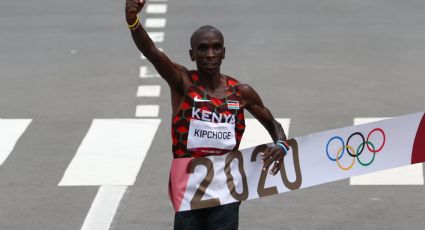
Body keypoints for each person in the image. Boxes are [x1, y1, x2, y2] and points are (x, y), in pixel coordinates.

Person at [125, 0, 289, 229]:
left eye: (216, 48)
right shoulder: (182, 82)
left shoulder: (241, 92)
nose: (210, 54)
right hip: (188, 187)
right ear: (192, 54)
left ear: (224, 53)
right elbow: (151, 52)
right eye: (203, 49)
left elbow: (273, 123)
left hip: (226, 187)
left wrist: (280, 144)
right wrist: (132, 20)